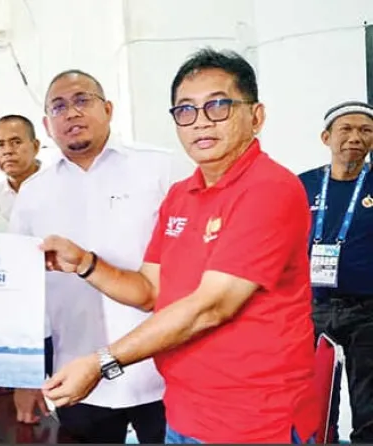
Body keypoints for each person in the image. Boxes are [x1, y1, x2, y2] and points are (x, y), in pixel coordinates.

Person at [38, 49, 320, 444]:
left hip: (256, 421)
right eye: (185, 110)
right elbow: (149, 291)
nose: (200, 122)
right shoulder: (181, 195)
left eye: (218, 106)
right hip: (185, 412)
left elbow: (212, 306)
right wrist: (84, 263)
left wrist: (103, 362)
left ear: (256, 117)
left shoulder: (270, 188)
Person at [9, 68, 187, 443]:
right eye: (59, 107)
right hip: (78, 375)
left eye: (82, 100)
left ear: (108, 109)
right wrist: (24, 377)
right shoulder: (33, 193)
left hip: (163, 370)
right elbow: (22, 293)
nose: (71, 113)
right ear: (47, 125)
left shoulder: (160, 169)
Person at [298, 100, 373, 443]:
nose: (355, 137)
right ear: (326, 137)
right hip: (311, 308)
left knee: (369, 406)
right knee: (310, 401)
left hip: (366, 312)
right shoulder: (303, 185)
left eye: (365, 130)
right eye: (346, 129)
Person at [0, 115, 42, 220]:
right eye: (0, 145)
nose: (8, 151)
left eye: (16, 142)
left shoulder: (57, 184)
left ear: (35, 146)